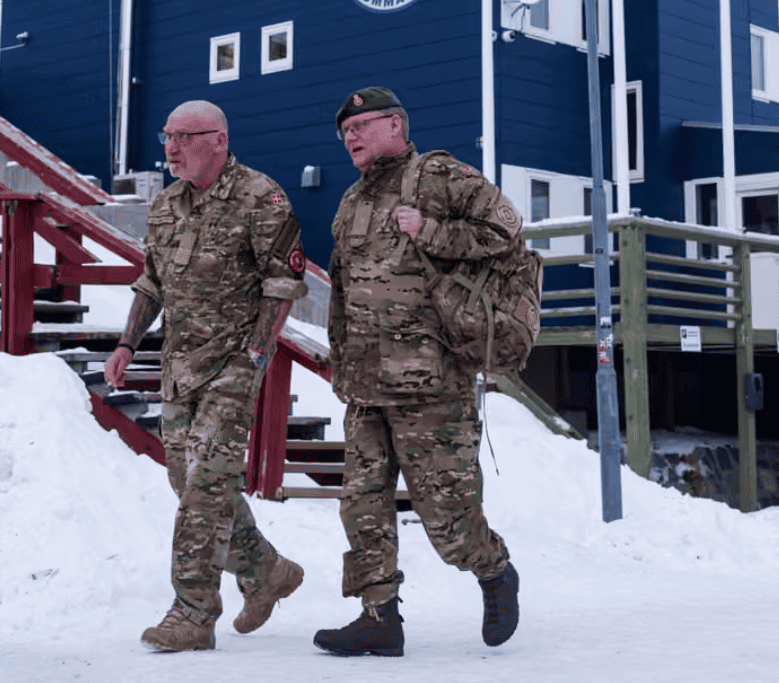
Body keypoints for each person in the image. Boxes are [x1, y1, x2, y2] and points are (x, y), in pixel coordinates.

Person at [313, 86, 520, 657]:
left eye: (363, 125)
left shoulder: (440, 176)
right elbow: (341, 290)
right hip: (364, 384)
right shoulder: (351, 202)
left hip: (431, 382)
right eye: (345, 132)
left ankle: (494, 570)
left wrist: (430, 230)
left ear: (398, 125)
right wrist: (339, 361)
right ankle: (379, 615)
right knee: (362, 503)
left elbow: (506, 230)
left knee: (447, 519)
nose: (351, 137)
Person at [104, 100, 309, 652]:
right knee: (186, 481)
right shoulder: (166, 204)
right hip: (179, 367)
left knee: (204, 488)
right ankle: (266, 571)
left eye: (184, 137)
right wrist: (128, 342)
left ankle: (192, 612)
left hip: (233, 368)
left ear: (217, 139)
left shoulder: (261, 197)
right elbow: (152, 281)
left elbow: (283, 286)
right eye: (166, 136)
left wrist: (255, 360)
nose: (170, 149)